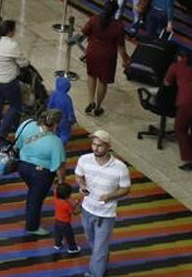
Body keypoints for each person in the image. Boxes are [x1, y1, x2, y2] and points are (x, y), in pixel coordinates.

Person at [75, 129, 131, 277]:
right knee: (94, 243)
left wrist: (110, 196)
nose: (95, 148)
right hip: (87, 210)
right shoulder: (84, 160)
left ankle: (94, 273)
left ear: (108, 147)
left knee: (99, 247)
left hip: (106, 214)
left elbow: (125, 189)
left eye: (99, 145)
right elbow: (79, 175)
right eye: (94, 144)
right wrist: (82, 186)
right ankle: (102, 259)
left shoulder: (120, 168)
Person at [14, 109, 66, 236]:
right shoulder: (55, 142)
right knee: (35, 199)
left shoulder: (27, 124)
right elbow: (59, 166)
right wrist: (61, 183)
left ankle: (32, 217)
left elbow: (18, 143)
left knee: (33, 191)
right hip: (41, 174)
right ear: (55, 124)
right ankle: (32, 227)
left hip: (22, 167)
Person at [81, 1, 130, 117]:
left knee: (91, 75)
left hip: (92, 51)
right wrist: (125, 60)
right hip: (108, 56)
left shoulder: (94, 19)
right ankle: (98, 107)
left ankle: (91, 101)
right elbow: (121, 47)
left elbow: (84, 31)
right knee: (103, 80)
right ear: (115, 12)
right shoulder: (118, 26)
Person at [0, 19, 28, 139]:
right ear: (10, 31)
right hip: (7, 81)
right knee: (16, 106)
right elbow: (23, 63)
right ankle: (2, 130)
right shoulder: (12, 45)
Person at [52, 182, 81, 254]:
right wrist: (78, 207)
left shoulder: (56, 198)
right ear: (68, 195)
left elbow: (55, 190)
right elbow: (74, 213)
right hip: (65, 223)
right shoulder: (67, 205)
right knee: (69, 235)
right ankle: (72, 248)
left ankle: (58, 244)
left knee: (58, 233)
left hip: (57, 220)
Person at [47, 77, 76, 144]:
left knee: (55, 131)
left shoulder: (53, 95)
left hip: (54, 117)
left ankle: (55, 142)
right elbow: (70, 111)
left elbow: (49, 106)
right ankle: (62, 144)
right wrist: (72, 120)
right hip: (64, 120)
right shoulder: (67, 99)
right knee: (64, 133)